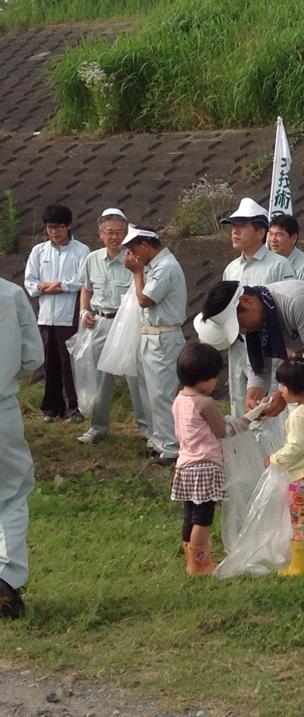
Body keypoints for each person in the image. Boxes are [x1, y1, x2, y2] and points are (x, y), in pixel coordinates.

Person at [194, 279, 304, 417]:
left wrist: (283, 394)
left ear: (247, 301)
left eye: (239, 324)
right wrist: (252, 398)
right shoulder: (252, 320)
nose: (243, 331)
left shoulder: (297, 301)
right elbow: (258, 369)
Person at [76, 208, 149, 444]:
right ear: (100, 234)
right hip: (100, 321)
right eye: (109, 232)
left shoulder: (135, 259)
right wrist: (84, 311)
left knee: (135, 377)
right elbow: (86, 288)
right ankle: (98, 426)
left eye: (119, 232)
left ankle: (148, 429)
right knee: (100, 377)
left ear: (127, 233)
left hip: (127, 324)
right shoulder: (92, 259)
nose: (114, 237)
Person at [172, 342, 242, 576]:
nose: (216, 382)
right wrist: (247, 421)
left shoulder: (179, 399)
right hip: (205, 466)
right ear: (203, 378)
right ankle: (199, 563)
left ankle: (191, 559)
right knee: (203, 518)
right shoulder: (205, 403)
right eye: (214, 377)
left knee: (190, 515)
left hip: (185, 464)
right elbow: (222, 431)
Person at [221, 197, 295, 417]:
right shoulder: (231, 269)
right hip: (238, 346)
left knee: (268, 407)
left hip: (268, 349)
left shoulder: (279, 265)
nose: (235, 231)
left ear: (261, 232)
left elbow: (286, 313)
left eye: (242, 226)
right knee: (240, 405)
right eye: (233, 226)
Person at [123, 226, 187, 466]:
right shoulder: (156, 266)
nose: (132, 255)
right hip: (151, 335)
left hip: (164, 336)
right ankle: (159, 442)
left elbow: (144, 299)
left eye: (133, 249)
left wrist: (137, 273)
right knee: (148, 393)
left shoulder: (166, 266)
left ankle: (171, 448)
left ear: (145, 245)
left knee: (162, 394)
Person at [0, 277, 44, 618]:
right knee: (12, 494)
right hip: (2, 409)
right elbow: (33, 358)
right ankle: (6, 578)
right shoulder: (11, 294)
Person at [23, 204, 90, 422]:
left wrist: (59, 286)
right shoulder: (39, 251)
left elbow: (83, 280)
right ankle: (51, 408)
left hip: (69, 316)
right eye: (50, 227)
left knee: (70, 365)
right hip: (45, 317)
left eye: (58, 227)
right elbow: (30, 282)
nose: (54, 232)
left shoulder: (81, 251)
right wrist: (43, 287)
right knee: (49, 363)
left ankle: (76, 408)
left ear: (68, 226)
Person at [269, 353, 304, 578]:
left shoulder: (298, 415)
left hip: (301, 480)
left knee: (301, 522)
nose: (280, 389)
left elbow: (295, 447)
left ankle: (300, 565)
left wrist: (274, 459)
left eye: (283, 384)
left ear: (296, 388)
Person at [268, 214, 304, 289]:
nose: (273, 239)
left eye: (279, 235)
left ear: (293, 238)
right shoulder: (267, 262)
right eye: (271, 234)